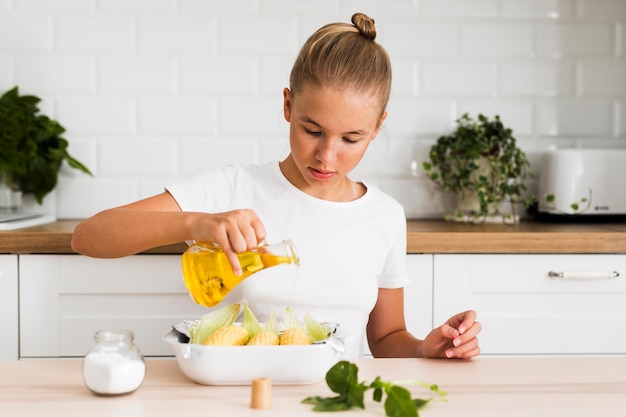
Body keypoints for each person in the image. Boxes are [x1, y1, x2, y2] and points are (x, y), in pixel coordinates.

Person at [71, 13, 481, 359]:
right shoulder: (233, 188)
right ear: (288, 106)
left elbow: (387, 337)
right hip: (242, 399)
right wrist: (193, 224)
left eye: (350, 139)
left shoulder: (385, 216)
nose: (326, 156)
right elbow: (87, 237)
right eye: (312, 129)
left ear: (377, 128)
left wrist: (427, 348)